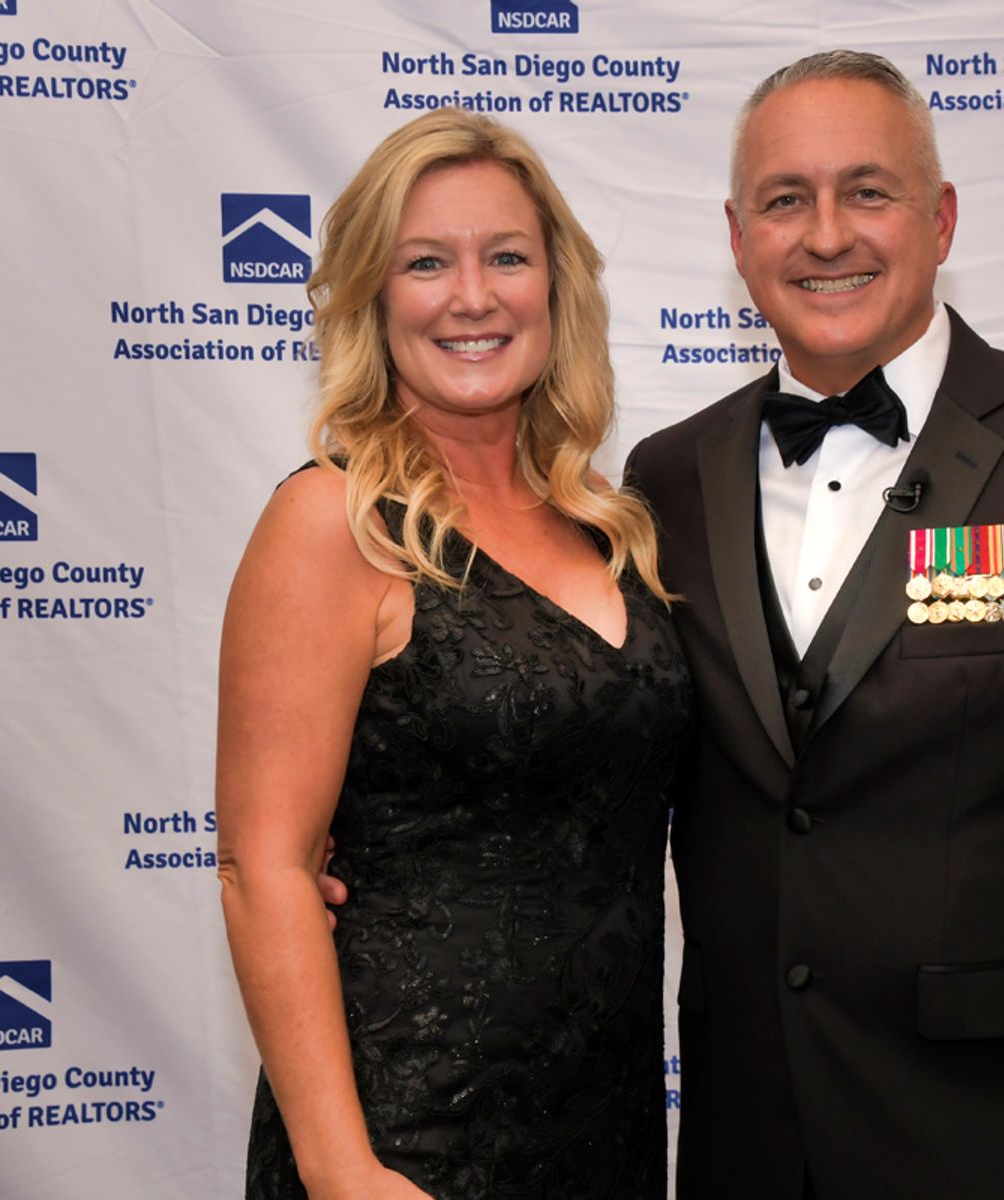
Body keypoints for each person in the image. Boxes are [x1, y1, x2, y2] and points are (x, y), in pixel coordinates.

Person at [624, 51, 1004, 1199]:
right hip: (744, 1152)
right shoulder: (663, 480)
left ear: (941, 217)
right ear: (738, 238)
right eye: (785, 199)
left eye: (867, 191)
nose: (826, 235)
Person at [216, 109, 689, 1200]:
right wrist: (341, 1170)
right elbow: (264, 865)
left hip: (604, 1126)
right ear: (375, 299)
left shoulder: (606, 521)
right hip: (407, 1138)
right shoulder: (334, 521)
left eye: (506, 257)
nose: (472, 297)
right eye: (426, 262)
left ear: (555, 287)